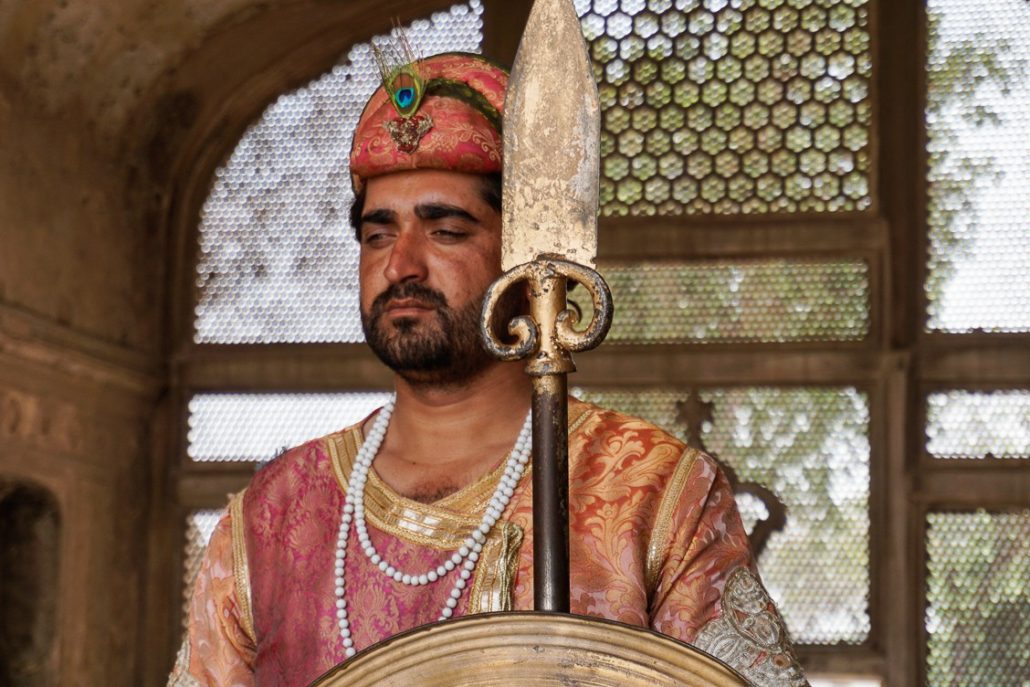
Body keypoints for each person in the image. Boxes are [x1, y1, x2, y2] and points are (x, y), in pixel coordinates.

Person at [170, 52, 808, 687]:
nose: (402, 266)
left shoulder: (654, 490)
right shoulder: (272, 517)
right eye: (378, 235)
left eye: (445, 230)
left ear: (525, 257)